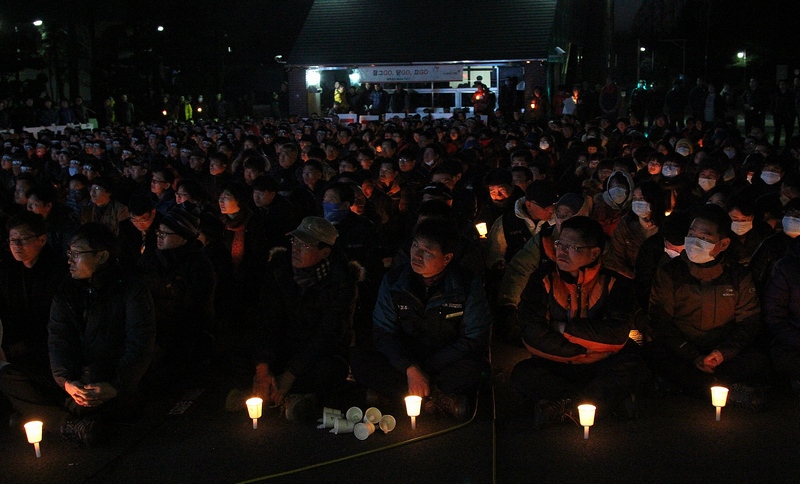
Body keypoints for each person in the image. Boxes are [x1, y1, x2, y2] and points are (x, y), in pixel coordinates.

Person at [0, 223, 156, 446]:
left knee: (107, 393)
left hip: (109, 379)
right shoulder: (66, 290)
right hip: (75, 380)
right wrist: (67, 382)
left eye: (77, 254)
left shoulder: (130, 289)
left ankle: (47, 415)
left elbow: (139, 343)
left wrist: (115, 385)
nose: (70, 260)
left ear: (102, 256)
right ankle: (69, 424)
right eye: (68, 253)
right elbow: (58, 340)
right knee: (8, 376)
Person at [511, 216, 649, 427]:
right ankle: (599, 405)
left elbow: (616, 335)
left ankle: (563, 407)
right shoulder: (543, 278)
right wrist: (578, 352)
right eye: (560, 244)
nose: (562, 252)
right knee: (523, 373)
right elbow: (531, 331)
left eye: (572, 247)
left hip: (601, 363)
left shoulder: (615, 282)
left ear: (594, 252)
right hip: (557, 361)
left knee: (633, 366)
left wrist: (561, 328)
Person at [351, 219, 492, 419]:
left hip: (445, 361)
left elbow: (474, 337)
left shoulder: (467, 285)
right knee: (361, 361)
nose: (417, 255)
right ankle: (437, 399)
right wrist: (410, 367)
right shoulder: (394, 281)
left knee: (479, 370)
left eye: (427, 251)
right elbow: (383, 332)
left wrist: (426, 367)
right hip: (405, 361)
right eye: (415, 246)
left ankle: (396, 395)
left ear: (447, 258)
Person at [644, 204, 768, 408]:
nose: (695, 242)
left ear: (724, 244)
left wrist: (722, 353)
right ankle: (726, 390)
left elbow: (749, 321)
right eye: (692, 234)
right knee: (654, 354)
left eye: (704, 238)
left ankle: (692, 386)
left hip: (722, 349)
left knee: (758, 358)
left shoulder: (738, 275)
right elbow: (660, 322)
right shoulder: (670, 272)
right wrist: (693, 356)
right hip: (682, 348)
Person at [251, 217, 362, 420]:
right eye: (294, 242)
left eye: (304, 245)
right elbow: (268, 319)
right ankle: (286, 395)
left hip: (316, 354)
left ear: (324, 252)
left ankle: (280, 394)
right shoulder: (279, 269)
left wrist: (290, 374)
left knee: (332, 370)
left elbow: (328, 333)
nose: (296, 249)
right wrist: (263, 367)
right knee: (247, 357)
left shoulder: (342, 281)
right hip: (284, 348)